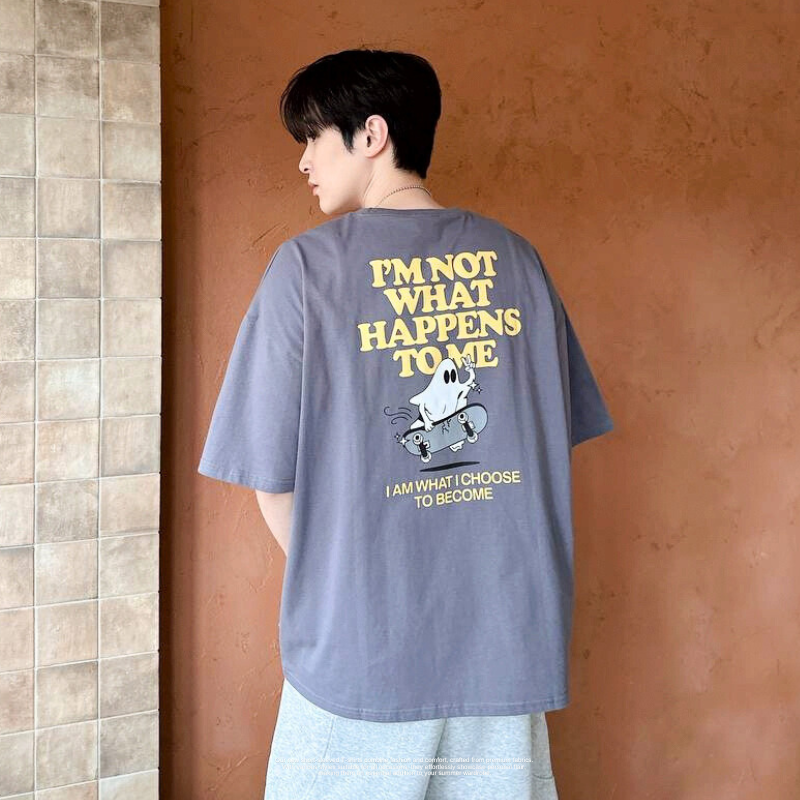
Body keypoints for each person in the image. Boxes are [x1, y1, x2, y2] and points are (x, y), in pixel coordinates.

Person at [198, 47, 614, 800]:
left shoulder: (307, 270)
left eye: (313, 137)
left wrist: (353, 581)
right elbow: (547, 441)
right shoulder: (519, 262)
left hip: (364, 656)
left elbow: (271, 480)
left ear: (372, 134)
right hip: (503, 641)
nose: (303, 161)